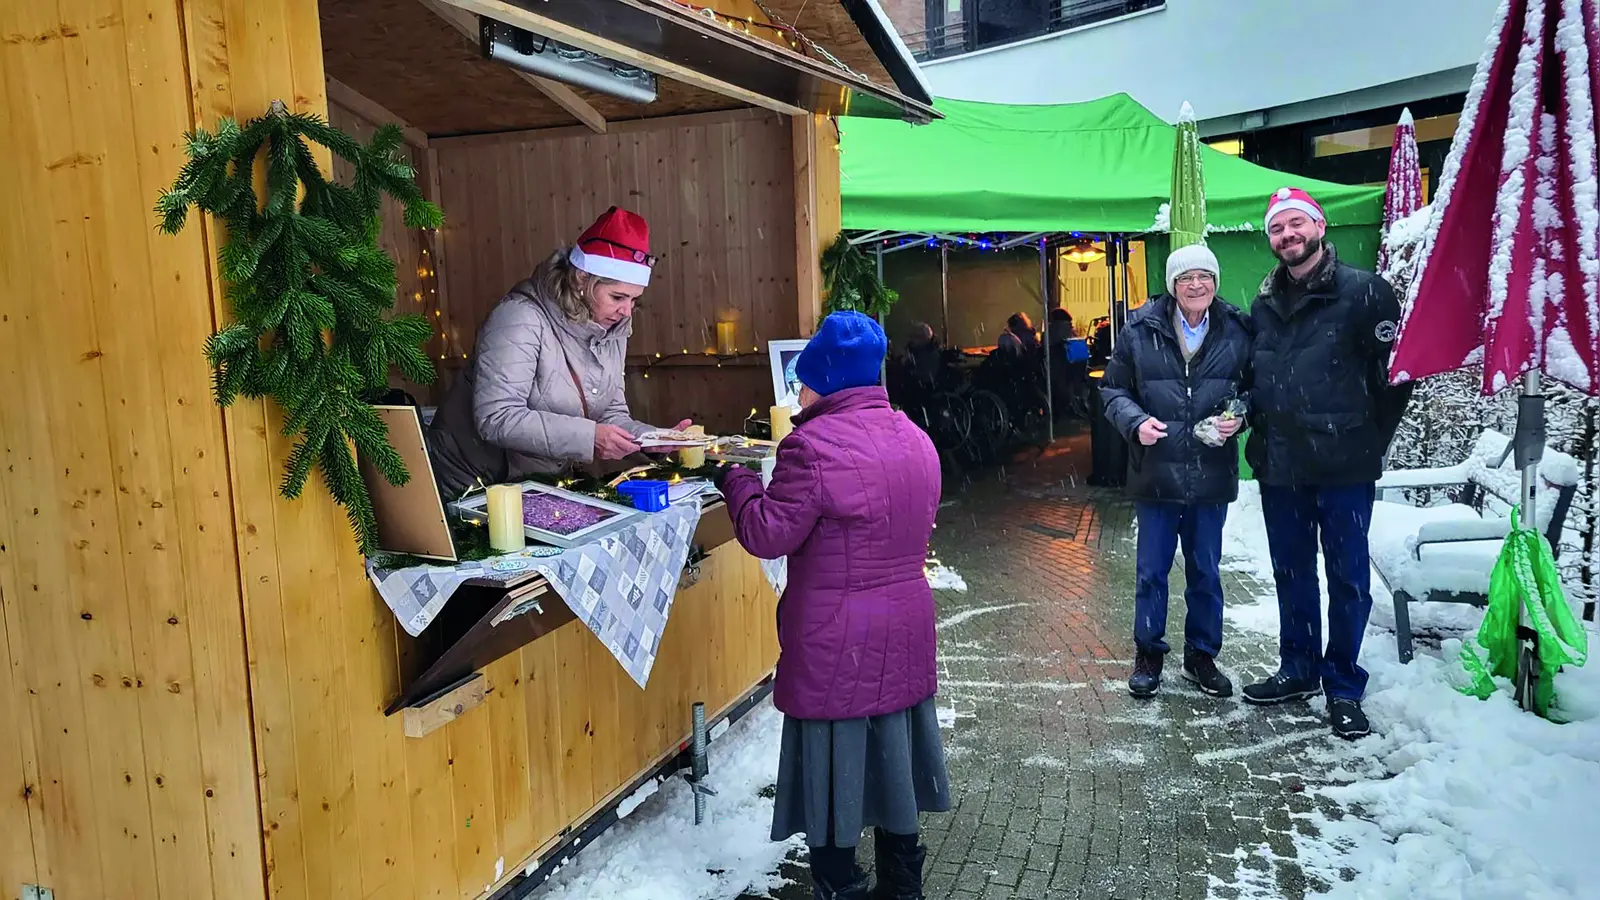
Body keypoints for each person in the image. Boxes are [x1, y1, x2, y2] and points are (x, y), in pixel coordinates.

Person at [712, 311, 951, 900]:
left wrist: (736, 480)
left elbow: (768, 532)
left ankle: (840, 885)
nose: (798, 392)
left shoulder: (810, 447)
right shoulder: (916, 438)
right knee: (895, 762)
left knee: (832, 771)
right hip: (905, 628)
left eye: (804, 380)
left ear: (827, 382)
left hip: (836, 639)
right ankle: (902, 884)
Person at [1242, 187, 1413, 740]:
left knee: (1347, 578)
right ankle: (1298, 669)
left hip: (1344, 467)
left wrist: (1366, 442)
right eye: (1276, 229)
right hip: (1281, 467)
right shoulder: (1264, 303)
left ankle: (1341, 683)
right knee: (1291, 574)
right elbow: (1258, 377)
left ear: (1319, 226)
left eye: (1296, 224)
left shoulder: (1365, 292)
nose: (1287, 236)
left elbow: (1394, 381)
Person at [426, 207, 691, 497]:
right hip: (472, 482)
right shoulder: (519, 318)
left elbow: (610, 411)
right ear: (581, 279)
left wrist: (649, 439)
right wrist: (589, 438)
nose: (627, 311)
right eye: (618, 297)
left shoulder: (612, 326)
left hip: (534, 485)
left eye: (634, 300)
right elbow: (497, 417)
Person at [1100, 243, 1251, 699]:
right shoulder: (1140, 329)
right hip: (1157, 474)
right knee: (1151, 571)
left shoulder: (1238, 329)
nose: (1196, 285)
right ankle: (1148, 654)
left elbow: (1256, 390)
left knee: (1205, 571)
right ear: (1172, 284)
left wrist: (1239, 415)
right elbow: (1112, 390)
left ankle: (1201, 657)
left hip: (1211, 473)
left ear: (1215, 282)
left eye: (1204, 276)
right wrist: (1134, 422)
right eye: (1186, 278)